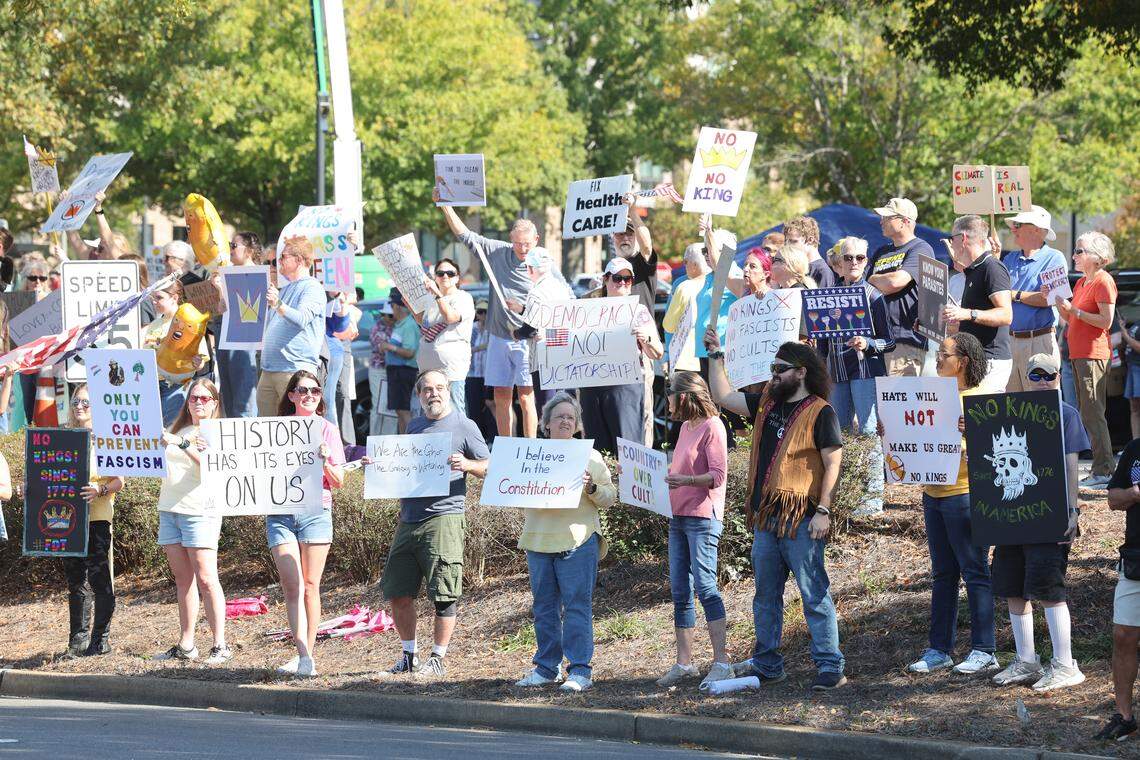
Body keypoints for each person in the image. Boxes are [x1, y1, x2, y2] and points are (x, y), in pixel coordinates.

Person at [705, 336, 846, 690]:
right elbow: (723, 396)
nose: (773, 376)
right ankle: (768, 663)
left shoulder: (821, 411)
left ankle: (831, 665)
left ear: (801, 372)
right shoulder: (766, 404)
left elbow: (833, 462)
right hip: (766, 518)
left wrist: (824, 510)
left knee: (813, 594)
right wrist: (716, 354)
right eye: (772, 369)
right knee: (765, 596)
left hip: (802, 518)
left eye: (780, 370)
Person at [381, 369, 490, 677]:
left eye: (439, 388)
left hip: (444, 515)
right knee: (398, 591)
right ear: (419, 395)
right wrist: (377, 467)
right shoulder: (414, 426)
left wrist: (467, 464)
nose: (434, 394)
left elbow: (490, 466)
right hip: (409, 518)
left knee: (444, 591)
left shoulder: (464, 426)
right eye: (427, 389)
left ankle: (438, 658)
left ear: (448, 390)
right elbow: (402, 468)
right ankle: (408, 656)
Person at [990, 353, 1087, 691]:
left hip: (1050, 518)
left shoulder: (1067, 415)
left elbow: (1071, 464)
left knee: (1048, 588)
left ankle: (1065, 663)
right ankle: (1027, 660)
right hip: (1010, 517)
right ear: (1026, 377)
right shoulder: (1008, 414)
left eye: (1050, 374)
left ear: (1059, 376)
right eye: (1037, 375)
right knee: (1013, 588)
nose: (1043, 380)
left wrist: (1071, 511)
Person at [905, 333, 997, 676]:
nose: (938, 359)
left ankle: (984, 649)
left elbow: (994, 453)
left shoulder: (981, 398)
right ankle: (939, 649)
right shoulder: (931, 394)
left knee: (975, 571)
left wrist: (972, 431)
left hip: (965, 494)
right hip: (933, 494)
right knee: (943, 574)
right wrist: (893, 431)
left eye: (944, 354)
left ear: (963, 362)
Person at [515, 393, 615, 692]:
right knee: (544, 608)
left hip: (578, 542)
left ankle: (580, 671)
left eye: (570, 417)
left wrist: (592, 487)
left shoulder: (591, 457)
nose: (565, 421)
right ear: (546, 424)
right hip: (538, 542)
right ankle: (547, 668)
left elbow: (609, 498)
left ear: (578, 425)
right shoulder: (530, 455)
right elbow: (512, 488)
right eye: (559, 416)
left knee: (577, 607)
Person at [436, 189, 553, 439]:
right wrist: (445, 205)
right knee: (501, 394)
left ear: (537, 240)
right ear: (511, 239)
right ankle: (506, 445)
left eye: (527, 244)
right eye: (518, 243)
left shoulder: (543, 265)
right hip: (500, 336)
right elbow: (464, 235)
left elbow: (553, 303)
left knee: (526, 395)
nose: (522, 248)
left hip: (527, 340)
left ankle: (530, 446)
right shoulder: (498, 252)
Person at [654, 371, 732, 691]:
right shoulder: (685, 427)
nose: (668, 399)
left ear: (684, 396)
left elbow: (718, 475)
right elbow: (680, 468)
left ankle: (722, 662)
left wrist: (685, 481)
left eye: (670, 393)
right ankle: (685, 663)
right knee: (680, 591)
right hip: (678, 516)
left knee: (706, 586)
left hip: (702, 517)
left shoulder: (713, 427)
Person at [268, 370, 346, 678]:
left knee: (311, 586)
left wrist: (325, 460)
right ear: (291, 395)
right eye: (302, 390)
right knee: (292, 584)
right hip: (281, 512)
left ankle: (307, 655)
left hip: (316, 510)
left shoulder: (328, 430)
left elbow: (339, 481)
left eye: (314, 390)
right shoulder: (273, 430)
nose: (309, 395)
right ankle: (301, 653)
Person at [154, 379, 231, 664]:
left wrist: (182, 444)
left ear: (215, 403)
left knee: (207, 578)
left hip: (201, 511)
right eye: (194, 398)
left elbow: (214, 467)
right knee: (183, 580)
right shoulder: (178, 429)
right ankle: (187, 644)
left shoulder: (218, 432)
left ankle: (220, 644)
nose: (199, 403)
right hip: (170, 508)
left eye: (205, 398)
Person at [819, 237, 893, 516]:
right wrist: (822, 368)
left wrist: (869, 343)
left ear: (867, 261)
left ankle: (872, 501)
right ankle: (845, 493)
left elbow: (889, 342)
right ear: (837, 263)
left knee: (868, 431)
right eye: (848, 258)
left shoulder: (874, 296)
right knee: (839, 434)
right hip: (837, 373)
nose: (854, 263)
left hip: (865, 371)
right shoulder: (827, 295)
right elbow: (823, 340)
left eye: (860, 258)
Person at [59, 385, 124, 657]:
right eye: (75, 402)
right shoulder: (65, 437)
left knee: (99, 578)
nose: (79, 407)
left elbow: (120, 480)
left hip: (97, 517)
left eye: (85, 402)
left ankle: (101, 639)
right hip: (69, 519)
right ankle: (78, 639)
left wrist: (100, 489)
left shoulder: (108, 439)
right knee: (76, 579)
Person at [579, 257, 663, 455]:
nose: (623, 283)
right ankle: (601, 487)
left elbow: (657, 352)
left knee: (628, 448)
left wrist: (646, 339)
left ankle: (628, 487)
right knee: (597, 451)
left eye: (628, 279)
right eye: (618, 278)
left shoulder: (638, 311)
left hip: (626, 385)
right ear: (606, 280)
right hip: (592, 386)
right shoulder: (587, 309)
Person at [1056, 231, 1117, 489]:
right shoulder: (1082, 283)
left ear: (1097, 256)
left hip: (1093, 355)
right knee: (1087, 413)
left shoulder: (1103, 281)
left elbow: (1106, 321)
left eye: (1080, 251)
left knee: (1093, 414)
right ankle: (1100, 468)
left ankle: (1104, 470)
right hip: (1078, 354)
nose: (1074, 255)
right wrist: (1063, 308)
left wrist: (1075, 311)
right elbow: (1073, 319)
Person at [1098, 433, 1140, 741]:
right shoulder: (1135, 450)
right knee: (1123, 635)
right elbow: (1113, 499)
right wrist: (1137, 493)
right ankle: (1125, 717)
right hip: (1136, 558)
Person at [257, 236, 325, 420]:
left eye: (283, 257)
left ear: (299, 260)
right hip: (269, 369)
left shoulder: (312, 287)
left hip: (294, 369)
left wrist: (278, 303)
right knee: (267, 428)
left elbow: (302, 318)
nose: (278, 262)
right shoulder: (285, 289)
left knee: (295, 428)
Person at [942, 215, 1013, 393]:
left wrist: (967, 313)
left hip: (991, 360)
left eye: (953, 239)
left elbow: (1006, 314)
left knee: (983, 419)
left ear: (963, 238)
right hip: (974, 358)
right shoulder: (973, 271)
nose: (951, 245)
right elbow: (971, 321)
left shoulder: (992, 267)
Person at [863, 198, 933, 377]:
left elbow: (895, 282)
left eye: (887, 218)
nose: (881, 221)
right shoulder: (881, 251)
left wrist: (873, 278)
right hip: (877, 340)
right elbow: (865, 288)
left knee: (898, 403)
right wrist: (879, 282)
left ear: (905, 221)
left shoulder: (921, 248)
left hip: (904, 341)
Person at [1002, 206, 1067, 392]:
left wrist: (1015, 295)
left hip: (1040, 341)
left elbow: (1051, 299)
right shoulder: (1009, 259)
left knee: (1043, 408)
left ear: (1036, 230)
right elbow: (999, 294)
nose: (1013, 229)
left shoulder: (1055, 258)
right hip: (1010, 341)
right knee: (1012, 407)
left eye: (1018, 224)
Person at [416, 257, 475, 415]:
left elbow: (450, 317)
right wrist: (410, 300)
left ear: (457, 277)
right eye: (440, 273)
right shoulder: (432, 300)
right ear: (435, 277)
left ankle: (459, 440)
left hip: (451, 369)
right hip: (427, 368)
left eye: (450, 273)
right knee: (428, 411)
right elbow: (423, 322)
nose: (445, 277)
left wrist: (437, 294)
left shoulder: (463, 298)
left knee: (454, 409)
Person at [143, 279, 208, 424]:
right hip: (151, 386)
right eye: (153, 297)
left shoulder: (189, 322)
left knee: (170, 429)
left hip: (174, 387)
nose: (154, 302)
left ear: (174, 298)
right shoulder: (154, 324)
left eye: (159, 298)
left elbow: (201, 360)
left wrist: (198, 362)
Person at [213, 231, 261, 417]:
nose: (230, 250)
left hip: (245, 343)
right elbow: (222, 309)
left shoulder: (258, 274)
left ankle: (246, 443)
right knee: (230, 398)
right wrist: (219, 289)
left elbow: (248, 313)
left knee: (244, 403)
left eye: (234, 246)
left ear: (249, 250)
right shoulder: (229, 272)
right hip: (226, 338)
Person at [662, 243, 710, 373]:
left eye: (685, 261)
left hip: (686, 360)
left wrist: (668, 354)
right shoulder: (722, 283)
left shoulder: (683, 286)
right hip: (714, 357)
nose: (684, 265)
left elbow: (669, 326)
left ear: (695, 264)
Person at [383, 289, 420, 433]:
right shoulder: (401, 324)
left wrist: (390, 347)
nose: (391, 310)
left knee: (404, 411)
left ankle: (410, 444)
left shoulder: (409, 325)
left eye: (392, 306)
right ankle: (403, 443)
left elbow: (410, 352)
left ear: (398, 307)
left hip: (403, 371)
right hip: (397, 371)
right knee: (400, 411)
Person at [465, 298, 496, 443]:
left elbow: (491, 345)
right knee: (474, 408)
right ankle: (477, 439)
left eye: (485, 312)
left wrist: (477, 348)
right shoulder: (471, 329)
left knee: (490, 408)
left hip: (489, 374)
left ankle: (491, 438)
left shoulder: (494, 328)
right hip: (472, 374)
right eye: (480, 312)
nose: (482, 315)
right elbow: (465, 347)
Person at [782, 215, 834, 288]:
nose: (788, 246)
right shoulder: (795, 268)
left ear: (810, 240)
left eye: (793, 241)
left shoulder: (822, 272)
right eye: (786, 242)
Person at [369, 301, 395, 436]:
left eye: (393, 315)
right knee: (378, 405)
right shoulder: (377, 328)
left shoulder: (400, 325)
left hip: (394, 370)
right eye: (389, 316)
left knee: (392, 409)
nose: (392, 318)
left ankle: (389, 441)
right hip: (379, 370)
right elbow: (382, 348)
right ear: (383, 315)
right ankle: (374, 439)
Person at [1119, 314, 1140, 440]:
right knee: (1134, 407)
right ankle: (1136, 444)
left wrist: (1124, 334)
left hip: (1138, 368)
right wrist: (1123, 329)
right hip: (1132, 368)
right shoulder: (1137, 322)